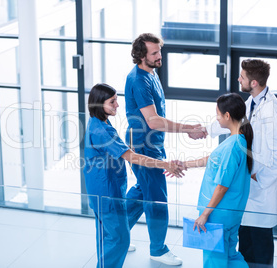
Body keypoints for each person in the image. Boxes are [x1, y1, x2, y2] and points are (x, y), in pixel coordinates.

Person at [124, 33, 206, 266]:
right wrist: (189, 128)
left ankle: (115, 231)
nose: (160, 56)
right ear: (141, 56)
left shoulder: (151, 72)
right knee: (157, 198)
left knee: (143, 190)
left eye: (160, 51)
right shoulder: (139, 80)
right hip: (144, 145)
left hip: (151, 143)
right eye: (154, 53)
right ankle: (158, 250)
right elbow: (153, 121)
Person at [83, 83, 184, 268]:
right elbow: (132, 156)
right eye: (112, 102)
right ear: (99, 104)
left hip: (102, 190)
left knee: (108, 236)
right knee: (119, 240)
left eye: (117, 100)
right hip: (107, 193)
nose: (117, 105)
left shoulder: (99, 121)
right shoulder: (102, 131)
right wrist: (165, 164)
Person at [206, 59, 277, 268]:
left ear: (254, 82)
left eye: (242, 77)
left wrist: (258, 178)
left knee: (260, 249)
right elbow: (237, 120)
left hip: (263, 190)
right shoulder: (252, 102)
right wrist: (204, 129)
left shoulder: (273, 110)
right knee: (246, 246)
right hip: (249, 191)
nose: (238, 79)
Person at [180, 93, 253, 268]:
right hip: (232, 213)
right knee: (231, 255)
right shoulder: (239, 140)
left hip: (218, 215)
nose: (217, 118)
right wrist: (185, 164)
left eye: (218, 114)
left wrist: (205, 214)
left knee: (214, 261)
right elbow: (212, 159)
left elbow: (222, 186)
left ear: (227, 115)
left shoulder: (232, 147)